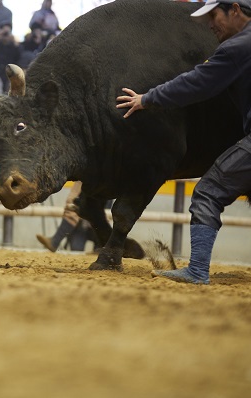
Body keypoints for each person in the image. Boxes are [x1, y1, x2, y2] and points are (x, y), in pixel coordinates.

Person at [116, 0, 251, 285]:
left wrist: (147, 99)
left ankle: (198, 270)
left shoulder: (238, 48)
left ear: (235, 10)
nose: (210, 24)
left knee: (208, 192)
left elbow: (196, 82)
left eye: (214, 15)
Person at [36, 182, 101, 253]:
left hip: (93, 226)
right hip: (83, 226)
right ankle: (100, 247)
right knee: (76, 250)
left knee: (73, 200)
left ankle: (55, 241)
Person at [0, 23, 21, 91]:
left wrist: (14, 42)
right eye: (4, 33)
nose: (5, 35)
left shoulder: (13, 47)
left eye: (7, 32)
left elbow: (18, 58)